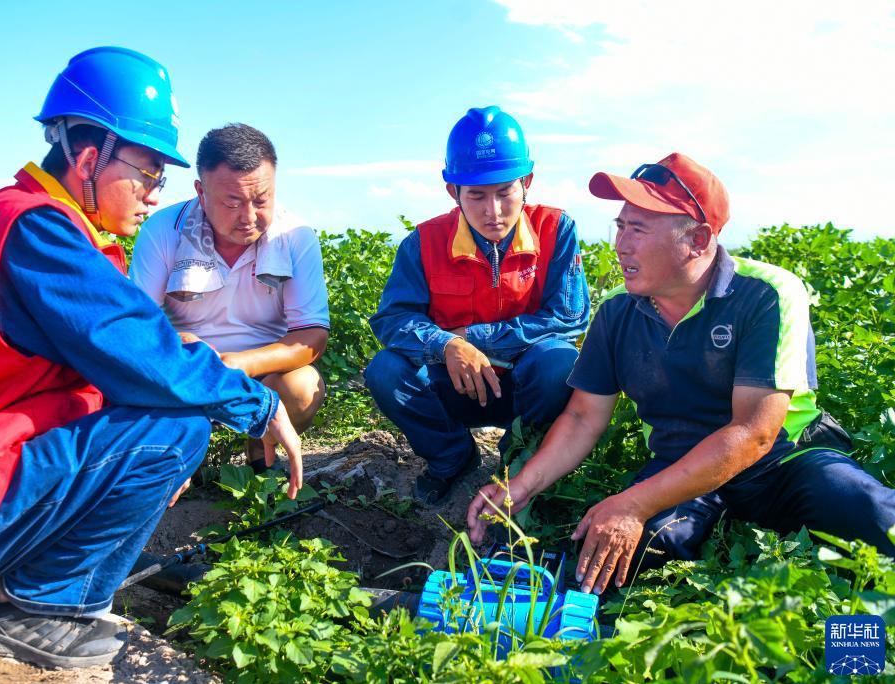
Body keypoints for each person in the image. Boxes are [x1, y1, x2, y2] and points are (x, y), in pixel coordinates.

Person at [0, 47, 302, 669]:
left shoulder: (18, 216)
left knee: (159, 417)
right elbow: (147, 355)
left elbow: (121, 356)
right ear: (89, 157)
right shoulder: (40, 230)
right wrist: (258, 405)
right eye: (149, 172)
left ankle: (3, 576)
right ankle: (29, 607)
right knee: (176, 431)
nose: (152, 195)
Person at [467, 152, 895, 596]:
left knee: (871, 515)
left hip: (783, 461)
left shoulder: (767, 293)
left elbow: (755, 433)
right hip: (678, 466)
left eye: (638, 229)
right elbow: (581, 417)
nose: (621, 245)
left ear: (698, 239)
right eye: (620, 226)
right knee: (611, 562)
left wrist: (633, 503)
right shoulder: (616, 310)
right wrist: (519, 487)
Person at [365, 106, 590, 506]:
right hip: (454, 385)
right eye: (477, 195)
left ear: (527, 183)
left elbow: (568, 317)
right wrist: (447, 345)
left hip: (525, 385)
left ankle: (516, 459)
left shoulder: (556, 229)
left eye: (505, 192)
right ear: (453, 191)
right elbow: (393, 319)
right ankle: (452, 457)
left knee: (560, 363)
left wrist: (474, 338)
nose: (493, 211)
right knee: (385, 370)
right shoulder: (423, 242)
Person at [130, 123, 329, 470]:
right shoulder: (163, 230)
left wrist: (239, 363)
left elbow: (311, 335)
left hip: (266, 370)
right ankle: (184, 458)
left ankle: (259, 453)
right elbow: (137, 327)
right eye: (232, 202)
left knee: (302, 386)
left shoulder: (295, 237)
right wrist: (189, 353)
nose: (249, 217)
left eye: (261, 200)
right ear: (201, 191)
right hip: (187, 368)